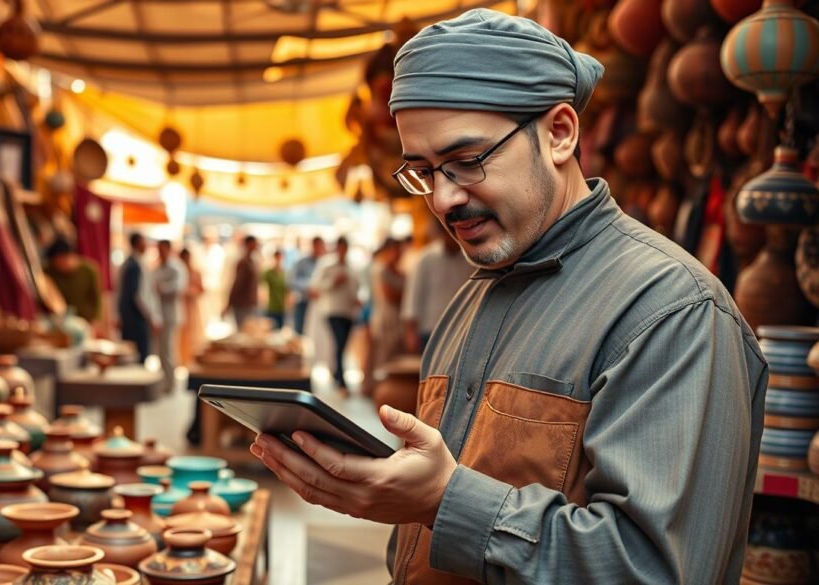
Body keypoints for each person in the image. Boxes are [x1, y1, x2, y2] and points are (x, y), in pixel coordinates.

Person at [249, 9, 766, 584]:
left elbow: (653, 570)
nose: (443, 199)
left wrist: (443, 500)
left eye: (466, 162)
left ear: (560, 133)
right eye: (423, 172)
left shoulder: (672, 312)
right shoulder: (471, 299)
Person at [401, 225, 475, 354]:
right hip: (430, 329)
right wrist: (411, 332)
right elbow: (413, 295)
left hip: (461, 328)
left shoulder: (470, 259)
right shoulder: (426, 258)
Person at [310, 236, 361, 392]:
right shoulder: (326, 265)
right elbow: (316, 287)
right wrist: (333, 282)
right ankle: (341, 380)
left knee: (342, 345)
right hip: (332, 310)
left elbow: (358, 287)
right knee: (339, 343)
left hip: (348, 311)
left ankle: (336, 373)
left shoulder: (352, 267)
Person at [364, 238, 406, 396]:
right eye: (396, 250)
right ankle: (381, 390)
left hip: (396, 317)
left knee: (392, 354)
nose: (398, 254)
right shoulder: (381, 269)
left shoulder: (397, 270)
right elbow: (389, 295)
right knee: (383, 355)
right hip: (385, 317)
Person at [117, 232, 161, 361]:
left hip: (130, 315)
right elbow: (138, 295)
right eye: (143, 242)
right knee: (139, 354)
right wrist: (150, 316)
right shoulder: (134, 266)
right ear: (137, 244)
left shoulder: (131, 263)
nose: (145, 246)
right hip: (136, 316)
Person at [153, 239, 188, 391]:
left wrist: (161, 288)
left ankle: (171, 383)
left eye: (162, 249)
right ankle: (165, 381)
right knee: (161, 350)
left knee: (168, 350)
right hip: (160, 313)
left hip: (171, 314)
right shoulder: (158, 268)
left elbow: (179, 288)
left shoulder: (176, 267)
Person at [45, 238, 102, 324]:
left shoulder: (89, 270)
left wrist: (95, 319)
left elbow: (96, 297)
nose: (61, 265)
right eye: (57, 263)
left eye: (63, 260)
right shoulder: (48, 271)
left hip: (85, 319)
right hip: (59, 319)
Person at [290, 237, 326, 335]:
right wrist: (308, 288)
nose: (318, 248)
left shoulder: (325, 263)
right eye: (317, 246)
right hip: (304, 301)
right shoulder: (302, 262)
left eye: (320, 246)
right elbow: (292, 280)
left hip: (320, 305)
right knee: (300, 331)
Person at [178, 248, 205, 366]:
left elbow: (202, 289)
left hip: (192, 307)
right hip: (180, 306)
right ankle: (181, 358)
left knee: (193, 333)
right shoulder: (178, 272)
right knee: (180, 334)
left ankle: (191, 358)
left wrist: (192, 292)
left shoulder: (195, 272)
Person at [225, 235, 259, 330]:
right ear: (248, 244)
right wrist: (229, 303)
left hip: (249, 303)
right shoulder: (244, 262)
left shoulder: (251, 261)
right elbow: (237, 284)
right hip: (242, 303)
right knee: (243, 329)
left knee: (248, 329)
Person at [261, 249, 289, 330]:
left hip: (282, 306)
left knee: (281, 329)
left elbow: (288, 291)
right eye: (276, 258)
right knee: (270, 328)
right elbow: (263, 288)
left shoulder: (286, 274)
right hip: (271, 306)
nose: (278, 260)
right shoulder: (268, 273)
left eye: (280, 258)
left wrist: (287, 304)